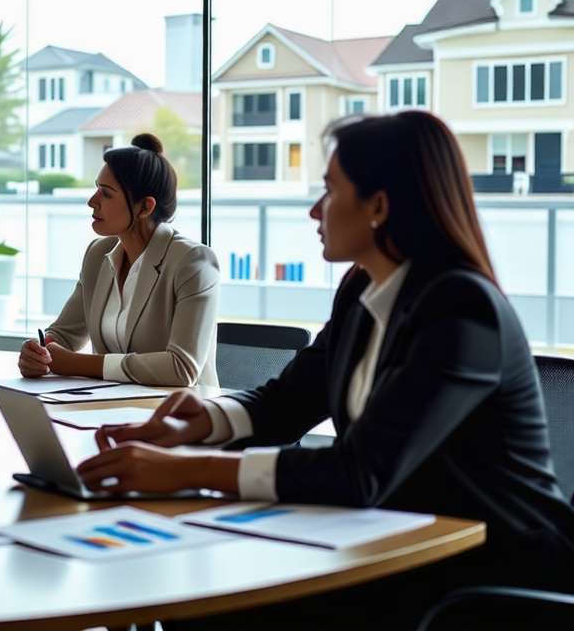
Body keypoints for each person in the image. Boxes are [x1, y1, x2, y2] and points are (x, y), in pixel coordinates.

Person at [76, 111, 574, 630]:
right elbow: (285, 401)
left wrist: (188, 469)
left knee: (219, 601)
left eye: (330, 191)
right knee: (199, 589)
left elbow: (361, 472)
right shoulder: (363, 292)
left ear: (378, 206)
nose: (315, 211)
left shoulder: (461, 309)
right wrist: (201, 421)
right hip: (396, 537)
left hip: (491, 572)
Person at [18, 133, 220, 387]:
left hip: (180, 414)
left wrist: (77, 363)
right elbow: (63, 335)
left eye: (107, 194)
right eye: (96, 190)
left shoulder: (193, 262)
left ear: (145, 207)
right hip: (110, 407)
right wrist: (39, 354)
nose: (92, 201)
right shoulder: (97, 255)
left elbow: (182, 368)